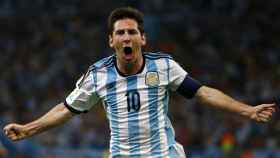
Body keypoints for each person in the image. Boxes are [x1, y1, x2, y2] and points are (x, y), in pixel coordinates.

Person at [3, 7, 276, 158]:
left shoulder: (164, 66)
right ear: (111, 40)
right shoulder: (98, 75)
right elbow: (65, 109)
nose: (126, 37)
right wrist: (28, 129)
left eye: (132, 32)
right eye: (120, 33)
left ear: (142, 38)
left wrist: (247, 110)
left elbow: (203, 93)